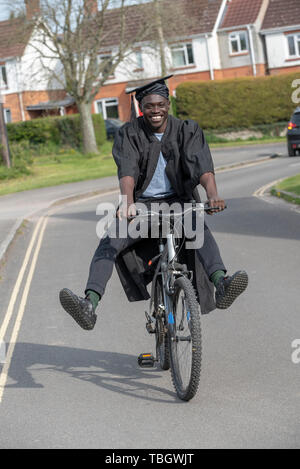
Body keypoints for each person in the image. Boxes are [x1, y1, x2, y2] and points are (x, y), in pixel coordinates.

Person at [59, 76, 248, 330]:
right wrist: (127, 203)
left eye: (160, 104)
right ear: (141, 108)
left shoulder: (186, 130)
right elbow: (127, 171)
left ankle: (221, 284)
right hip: (142, 206)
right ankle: (89, 304)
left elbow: (202, 166)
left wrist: (213, 195)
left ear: (168, 104)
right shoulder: (130, 133)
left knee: (198, 228)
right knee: (111, 240)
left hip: (179, 203)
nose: (155, 111)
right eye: (149, 106)